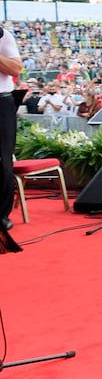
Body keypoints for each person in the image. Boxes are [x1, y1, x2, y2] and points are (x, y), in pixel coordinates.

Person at [0, 25, 21, 231]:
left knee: (2, 161)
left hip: (1, 102)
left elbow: (15, 69)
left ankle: (1, 215)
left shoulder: (3, 36)